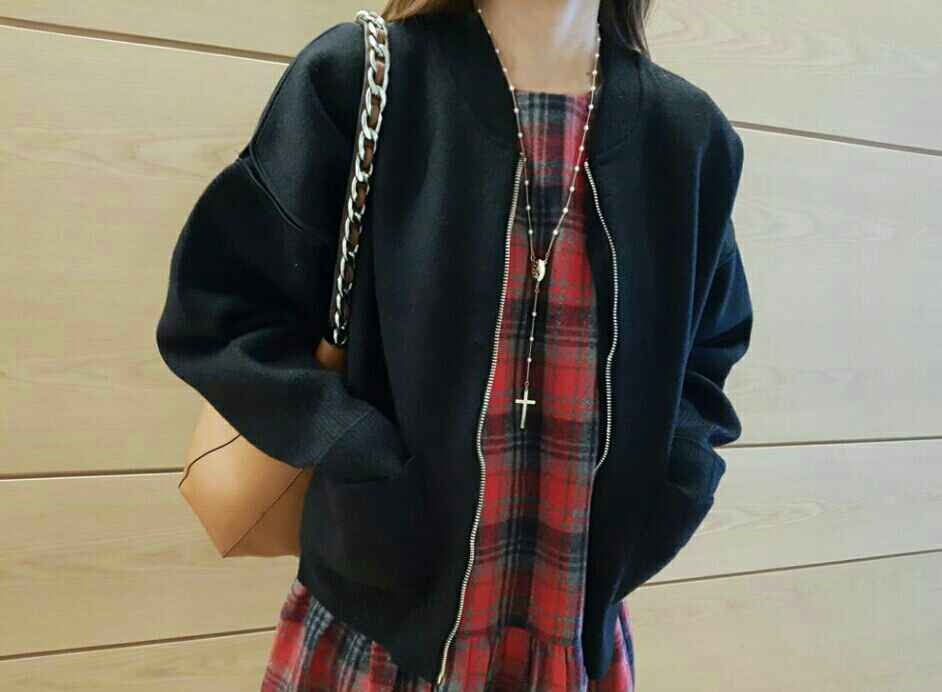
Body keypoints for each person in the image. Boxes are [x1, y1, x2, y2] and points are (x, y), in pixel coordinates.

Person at [155, 0, 754, 690]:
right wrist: (360, 457)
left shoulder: (687, 137)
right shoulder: (358, 78)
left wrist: (671, 488)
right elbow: (223, 309)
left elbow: (710, 351)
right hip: (376, 637)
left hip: (573, 640)